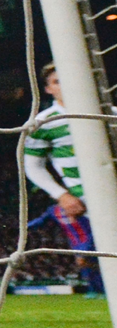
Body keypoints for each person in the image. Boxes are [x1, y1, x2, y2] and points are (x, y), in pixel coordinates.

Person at [25, 63, 104, 297]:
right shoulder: (42, 123)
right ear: (48, 89)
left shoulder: (108, 111)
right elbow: (33, 166)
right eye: (56, 81)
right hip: (88, 205)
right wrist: (62, 195)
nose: (65, 85)